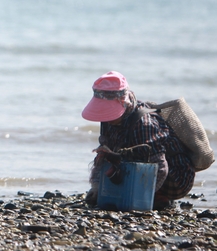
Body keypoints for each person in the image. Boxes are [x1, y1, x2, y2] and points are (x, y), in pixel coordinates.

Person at [81, 71, 195, 210]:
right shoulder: (108, 120)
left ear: (124, 103)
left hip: (175, 176)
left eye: (108, 111)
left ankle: (160, 197)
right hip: (134, 163)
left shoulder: (143, 124)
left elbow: (160, 167)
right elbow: (103, 156)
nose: (107, 118)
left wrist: (141, 198)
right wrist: (97, 187)